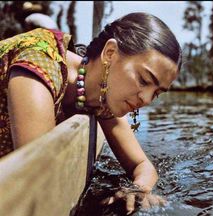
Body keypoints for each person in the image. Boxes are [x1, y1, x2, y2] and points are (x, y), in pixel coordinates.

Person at [0, 12, 182, 214]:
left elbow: (142, 165)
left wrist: (137, 189)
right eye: (144, 80)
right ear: (110, 53)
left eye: (156, 93)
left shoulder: (102, 100)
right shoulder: (38, 65)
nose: (146, 100)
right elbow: (41, 185)